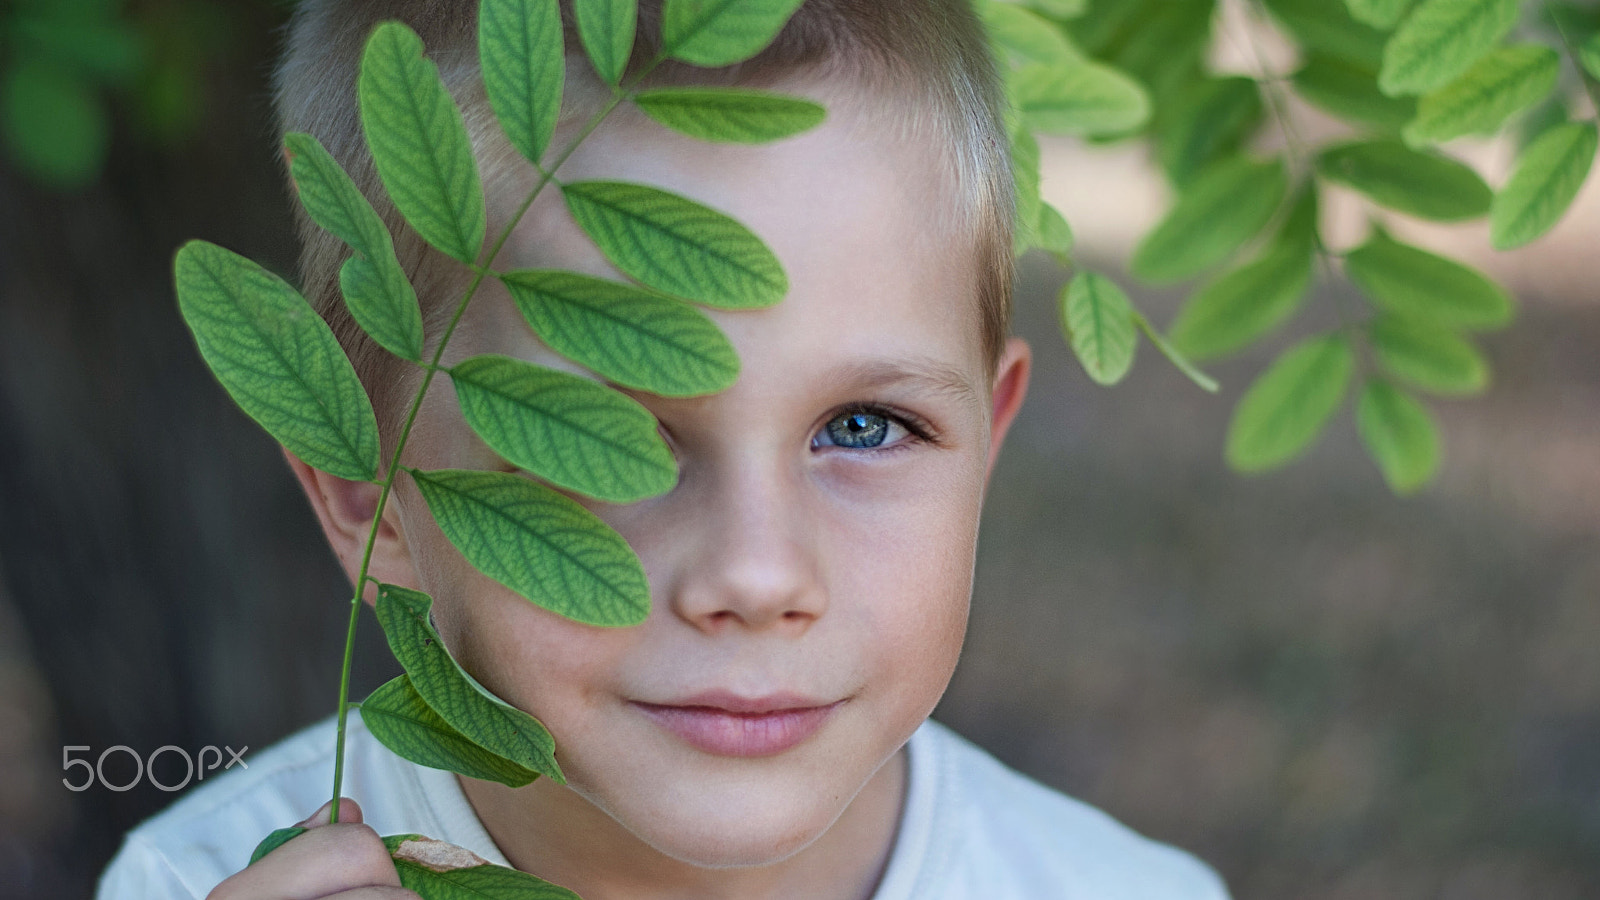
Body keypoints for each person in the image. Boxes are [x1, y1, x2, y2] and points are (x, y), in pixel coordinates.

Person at [98, 1, 1231, 897]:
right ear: (371, 495)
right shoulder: (196, 882)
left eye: (864, 426)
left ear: (987, 442)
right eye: (609, 441)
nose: (756, 576)